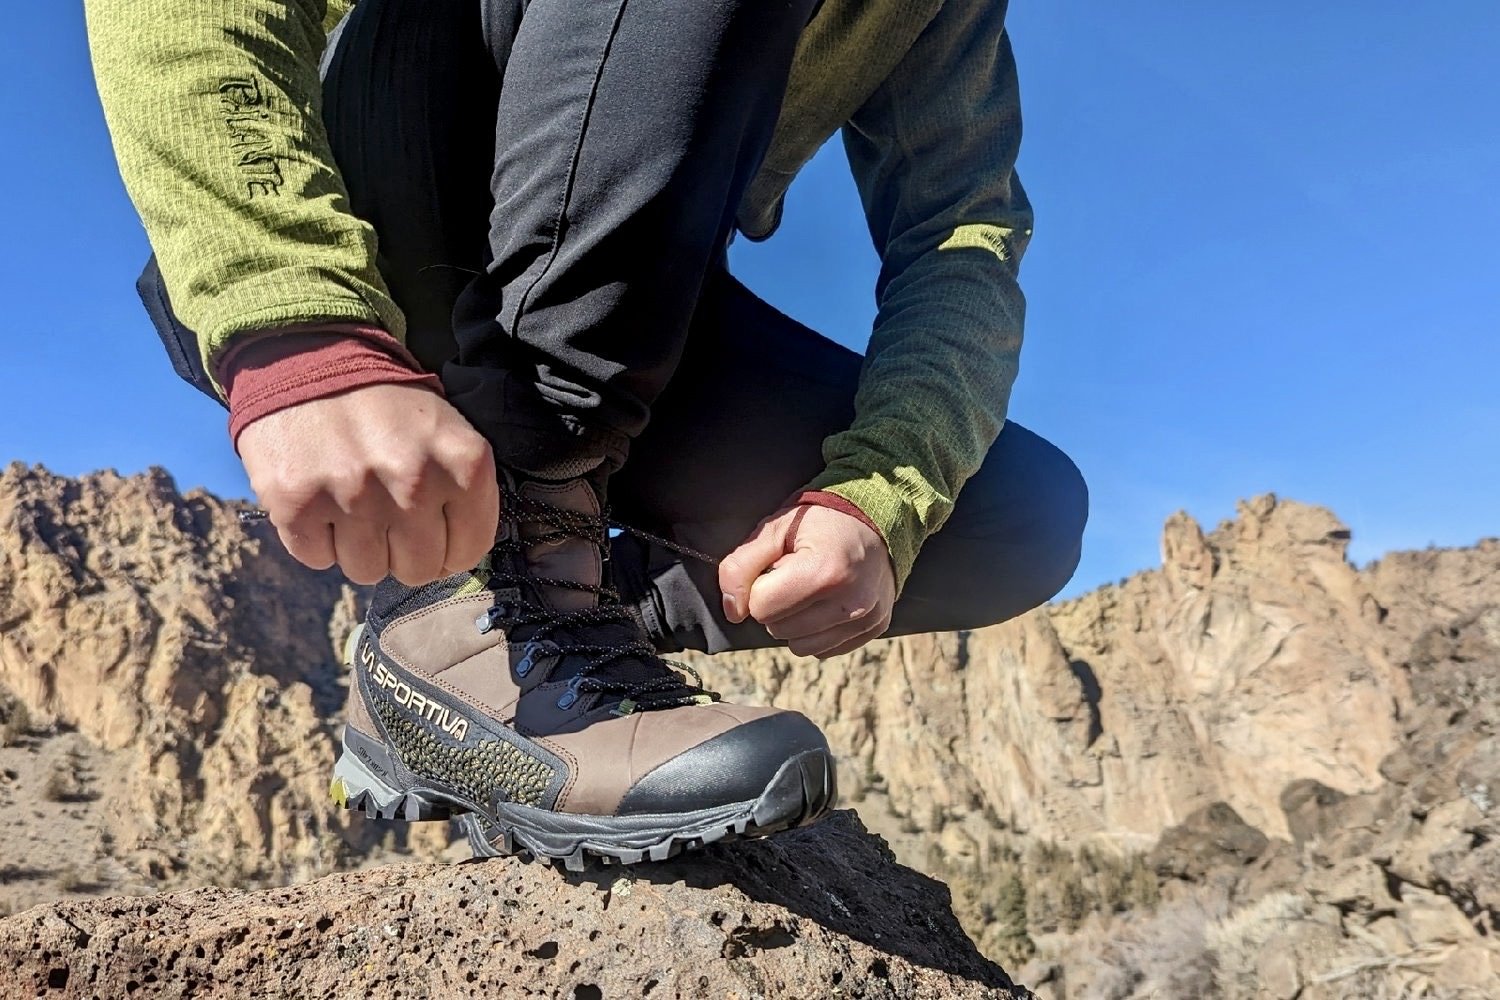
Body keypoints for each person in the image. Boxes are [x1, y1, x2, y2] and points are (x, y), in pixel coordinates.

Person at [87, 0, 1087, 868]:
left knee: (1017, 518)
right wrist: (293, 316)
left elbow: (962, 236)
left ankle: (533, 600)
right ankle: (495, 590)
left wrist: (874, 500)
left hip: (617, 293)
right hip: (375, 207)